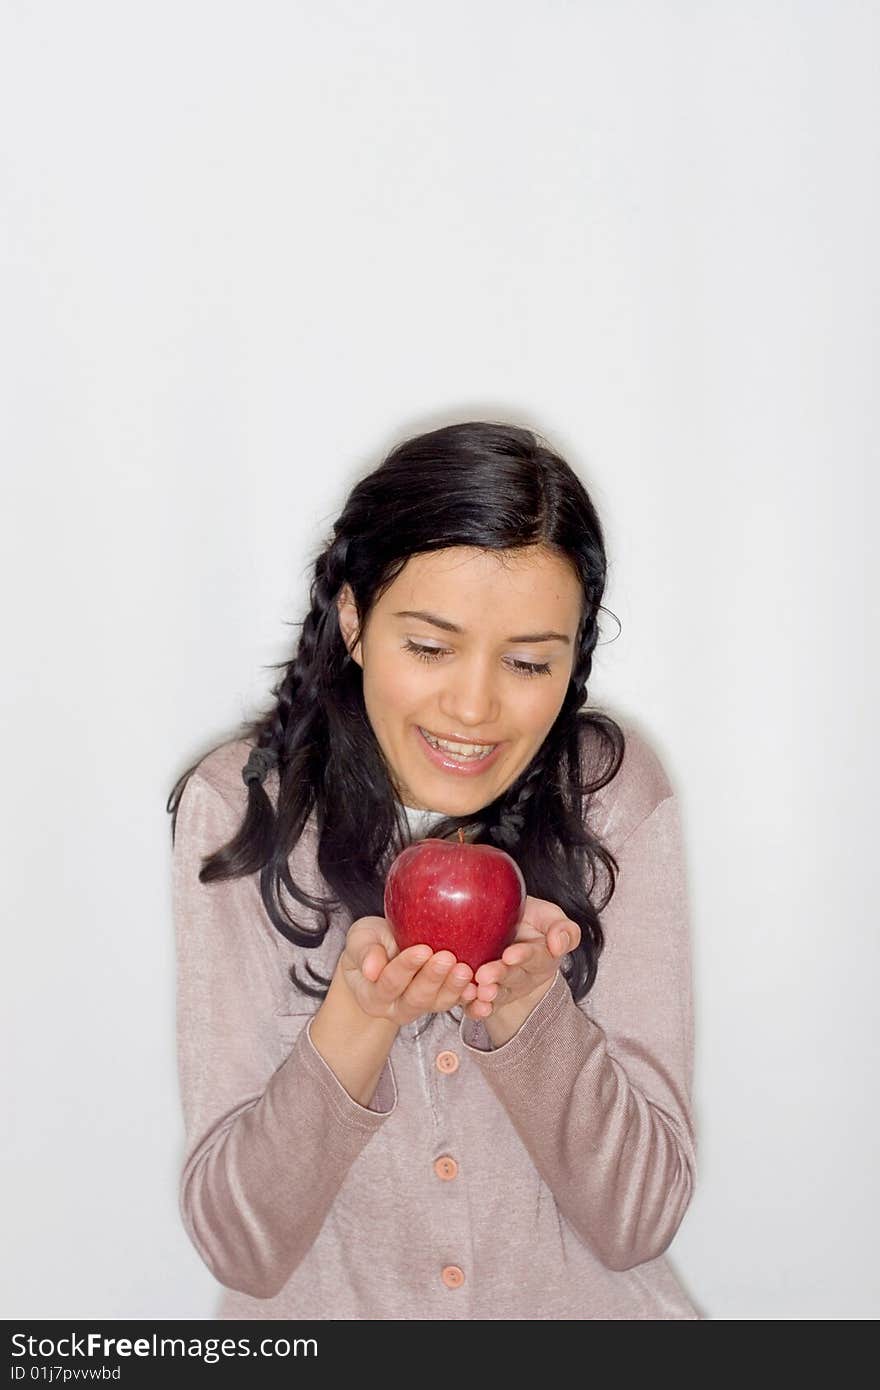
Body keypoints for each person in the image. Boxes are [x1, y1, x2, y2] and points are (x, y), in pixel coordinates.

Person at [167, 420, 701, 1320]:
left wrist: (532, 1009)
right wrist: (359, 1020)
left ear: (574, 661)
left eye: (530, 661)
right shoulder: (242, 809)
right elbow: (241, 1248)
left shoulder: (611, 794)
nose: (474, 706)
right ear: (354, 621)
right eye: (429, 646)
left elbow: (640, 1222)